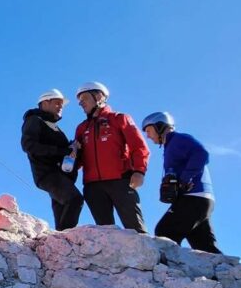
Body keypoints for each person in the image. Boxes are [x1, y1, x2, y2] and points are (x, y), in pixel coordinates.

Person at [73, 82, 149, 233]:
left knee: (136, 230)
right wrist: (72, 156)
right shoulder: (81, 128)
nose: (81, 103)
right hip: (93, 186)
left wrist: (139, 171)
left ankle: (149, 249)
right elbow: (79, 159)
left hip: (121, 181)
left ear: (99, 96)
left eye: (84, 98)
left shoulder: (119, 118)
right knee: (106, 233)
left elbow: (139, 146)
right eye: (79, 100)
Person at [142, 112, 221, 254]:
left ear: (159, 126)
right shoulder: (170, 146)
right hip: (199, 200)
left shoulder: (179, 139)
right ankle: (224, 268)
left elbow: (201, 154)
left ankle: (168, 267)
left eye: (148, 130)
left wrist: (185, 179)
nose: (148, 136)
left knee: (165, 232)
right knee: (204, 247)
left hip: (194, 197)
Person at [21, 89, 84, 230]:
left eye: (62, 104)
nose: (61, 107)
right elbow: (28, 145)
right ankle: (67, 238)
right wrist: (62, 151)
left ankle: (62, 239)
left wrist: (72, 148)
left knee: (63, 210)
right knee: (75, 200)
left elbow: (61, 150)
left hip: (59, 175)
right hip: (48, 174)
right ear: (44, 103)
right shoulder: (34, 120)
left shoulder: (52, 126)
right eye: (57, 103)